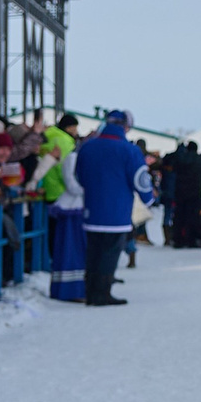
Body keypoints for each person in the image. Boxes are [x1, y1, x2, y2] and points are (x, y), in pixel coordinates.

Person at [73, 112, 154, 306]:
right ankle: (103, 293)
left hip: (91, 209)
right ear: (125, 127)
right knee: (109, 254)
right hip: (117, 212)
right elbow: (140, 180)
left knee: (92, 252)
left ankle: (90, 291)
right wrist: (148, 199)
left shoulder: (88, 147)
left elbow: (78, 175)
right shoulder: (129, 150)